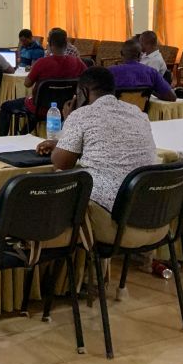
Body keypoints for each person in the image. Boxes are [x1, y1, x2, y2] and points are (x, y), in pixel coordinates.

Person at [36, 67, 165, 248]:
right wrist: (63, 143)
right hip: (152, 213)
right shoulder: (137, 112)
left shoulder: (81, 115)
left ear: (83, 92)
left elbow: (61, 163)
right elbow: (112, 142)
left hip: (113, 217)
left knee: (59, 188)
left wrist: (69, 120)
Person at [0, 28, 86, 136]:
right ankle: (24, 133)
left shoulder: (41, 63)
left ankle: (3, 138)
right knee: (35, 108)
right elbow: (87, 78)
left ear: (49, 44)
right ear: (66, 44)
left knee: (5, 106)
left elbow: (27, 83)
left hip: (40, 108)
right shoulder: (77, 62)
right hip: (66, 108)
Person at [108, 38, 176, 101]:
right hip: (140, 112)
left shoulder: (109, 72)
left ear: (121, 54)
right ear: (140, 55)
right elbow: (172, 97)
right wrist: (151, 91)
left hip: (116, 112)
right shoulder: (151, 72)